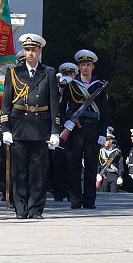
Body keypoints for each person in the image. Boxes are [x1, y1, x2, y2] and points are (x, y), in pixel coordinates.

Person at [0, 33, 59, 219]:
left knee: (38, 172)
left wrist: (55, 131)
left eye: (34, 50)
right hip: (19, 125)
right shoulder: (14, 73)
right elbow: (6, 104)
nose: (31, 53)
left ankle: (36, 208)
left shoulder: (48, 73)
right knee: (19, 171)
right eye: (27, 50)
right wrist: (5, 128)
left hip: (40, 127)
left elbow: (54, 105)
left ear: (39, 51)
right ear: (23, 52)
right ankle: (20, 207)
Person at [59, 49, 109, 209]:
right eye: (82, 65)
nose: (85, 68)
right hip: (76, 129)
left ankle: (89, 200)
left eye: (88, 65)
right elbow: (62, 107)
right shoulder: (72, 85)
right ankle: (75, 199)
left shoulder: (99, 86)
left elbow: (105, 112)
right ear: (78, 67)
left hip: (93, 129)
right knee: (73, 165)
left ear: (93, 66)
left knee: (91, 165)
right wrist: (66, 121)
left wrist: (103, 133)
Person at [49, 62, 77, 202]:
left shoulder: (78, 94)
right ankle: (59, 191)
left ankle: (72, 191)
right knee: (58, 163)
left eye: (71, 74)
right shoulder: (55, 98)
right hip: (60, 132)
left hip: (75, 132)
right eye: (62, 86)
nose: (64, 89)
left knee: (73, 163)